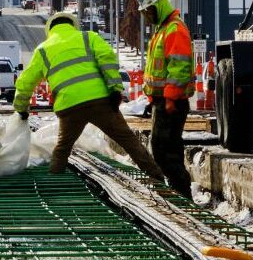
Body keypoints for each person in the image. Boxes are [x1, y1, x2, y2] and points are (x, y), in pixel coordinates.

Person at [13, 10, 166, 182]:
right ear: (73, 25)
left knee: (63, 148)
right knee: (129, 141)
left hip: (69, 107)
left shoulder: (42, 50)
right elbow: (107, 60)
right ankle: (157, 178)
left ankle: (54, 182)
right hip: (101, 102)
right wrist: (115, 89)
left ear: (50, 29)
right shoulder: (88, 37)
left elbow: (25, 83)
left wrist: (21, 108)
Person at [136, 0, 195, 196]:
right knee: (168, 148)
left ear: (158, 5)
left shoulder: (174, 29)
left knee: (162, 150)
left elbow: (179, 67)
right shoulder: (164, 29)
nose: (147, 16)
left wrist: (170, 98)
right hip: (162, 101)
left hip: (171, 102)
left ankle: (181, 191)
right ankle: (179, 191)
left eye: (149, 10)